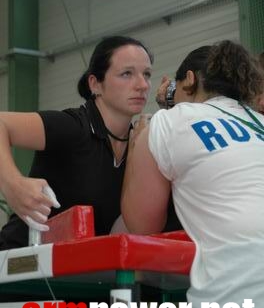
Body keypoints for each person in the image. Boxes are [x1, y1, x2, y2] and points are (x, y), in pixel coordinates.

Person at [121, 40, 264, 308]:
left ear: (189, 80)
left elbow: (142, 227)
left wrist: (137, 141)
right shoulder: (260, 123)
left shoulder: (169, 122)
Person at [0, 35, 154, 249]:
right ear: (95, 84)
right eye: (127, 74)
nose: (142, 85)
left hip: (86, 272)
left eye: (146, 74)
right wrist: (12, 183)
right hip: (21, 264)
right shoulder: (72, 126)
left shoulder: (140, 144)